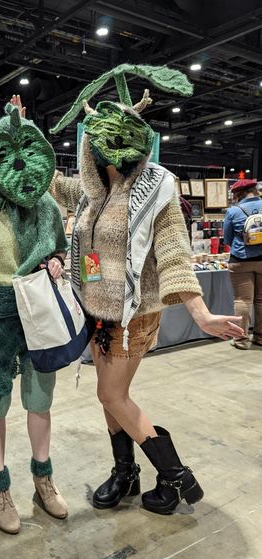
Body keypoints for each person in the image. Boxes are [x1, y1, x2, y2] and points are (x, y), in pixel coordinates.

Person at [32, 64, 244, 515]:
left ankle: (177, 478)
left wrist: (201, 313)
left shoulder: (156, 190)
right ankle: (124, 473)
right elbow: (51, 182)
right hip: (98, 314)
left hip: (134, 316)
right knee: (109, 395)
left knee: (112, 395)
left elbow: (172, 254)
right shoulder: (92, 191)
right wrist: (23, 133)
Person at [0, 103, 69, 534]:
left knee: (40, 401)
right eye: (5, 153)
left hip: (38, 313)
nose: (19, 162)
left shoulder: (46, 209)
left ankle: (43, 479)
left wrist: (56, 260)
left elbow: (58, 248)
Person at [223, 178, 262, 349]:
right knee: (261, 300)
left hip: (241, 260)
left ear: (238, 194)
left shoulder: (234, 211)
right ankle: (260, 337)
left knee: (242, 300)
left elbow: (227, 238)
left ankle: (241, 340)